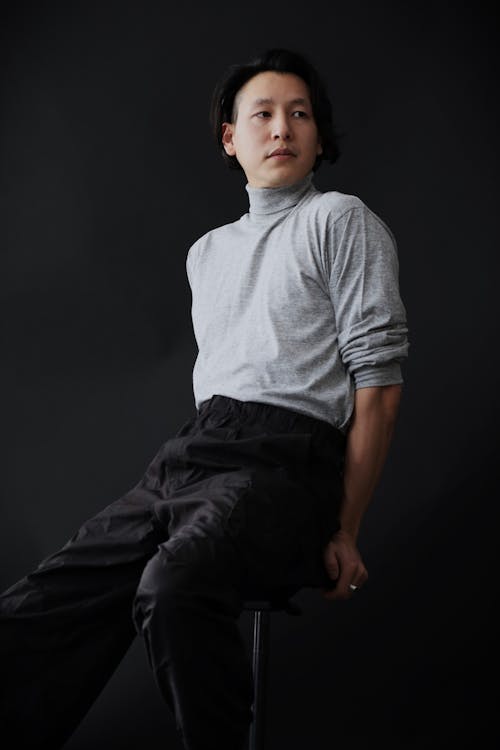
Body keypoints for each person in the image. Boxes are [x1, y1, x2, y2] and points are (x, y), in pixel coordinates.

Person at [0, 47, 409, 749]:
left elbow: (377, 383)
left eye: (300, 114)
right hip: (192, 456)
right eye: (263, 114)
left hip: (286, 466)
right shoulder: (207, 253)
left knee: (173, 587)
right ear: (231, 137)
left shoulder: (339, 220)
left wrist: (345, 528)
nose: (283, 128)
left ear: (318, 136)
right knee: (34, 611)